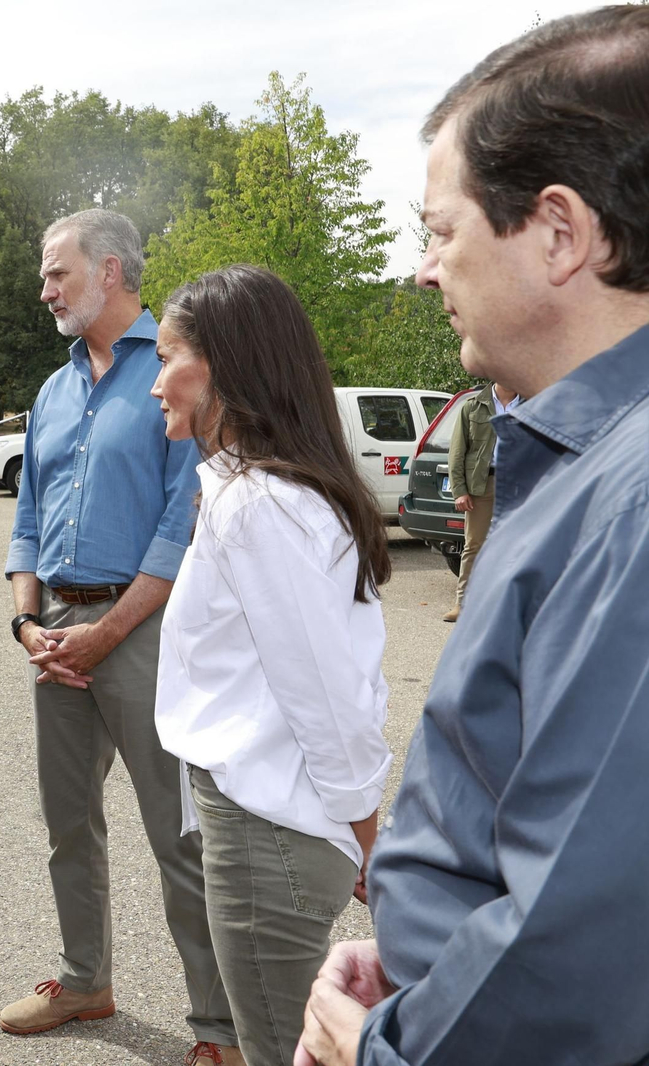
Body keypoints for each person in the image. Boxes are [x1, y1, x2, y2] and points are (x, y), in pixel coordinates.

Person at [298, 7, 649, 1064]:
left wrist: (387, 1047)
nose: (423, 268)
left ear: (559, 233)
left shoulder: (632, 501)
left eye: (441, 231)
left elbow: (576, 955)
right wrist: (424, 966)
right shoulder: (592, 466)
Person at [0, 209, 240, 1066]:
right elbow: (27, 519)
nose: (44, 290)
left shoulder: (176, 372)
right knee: (68, 822)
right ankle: (83, 980)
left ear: (109, 270)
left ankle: (220, 1027)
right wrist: (28, 622)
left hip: (142, 631)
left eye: (55, 271)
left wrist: (107, 632)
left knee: (180, 835)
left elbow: (183, 523)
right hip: (55, 637)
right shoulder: (52, 390)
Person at [150, 265, 392, 1066]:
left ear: (223, 366)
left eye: (167, 358)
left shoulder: (259, 505)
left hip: (274, 832)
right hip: (274, 822)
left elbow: (326, 697)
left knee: (283, 1051)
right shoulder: (255, 493)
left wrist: (369, 841)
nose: (155, 383)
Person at [441, 381, 519, 622]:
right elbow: (457, 452)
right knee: (474, 544)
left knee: (515, 544)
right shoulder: (472, 406)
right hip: (481, 485)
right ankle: (462, 604)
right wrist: (459, 491)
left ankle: (508, 605)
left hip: (518, 485)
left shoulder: (531, 404)